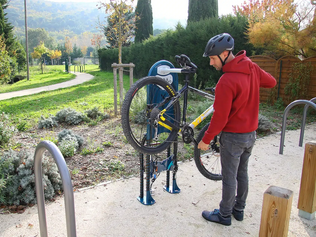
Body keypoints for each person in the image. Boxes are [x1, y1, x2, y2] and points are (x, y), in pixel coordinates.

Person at [198, 33, 277, 226]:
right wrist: (253, 77)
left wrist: (206, 139)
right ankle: (239, 210)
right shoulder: (250, 67)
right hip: (250, 136)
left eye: (212, 58)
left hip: (233, 138)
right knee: (242, 173)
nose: (211, 63)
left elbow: (220, 118)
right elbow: (272, 82)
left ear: (225, 54)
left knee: (229, 177)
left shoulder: (226, 81)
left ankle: (224, 215)